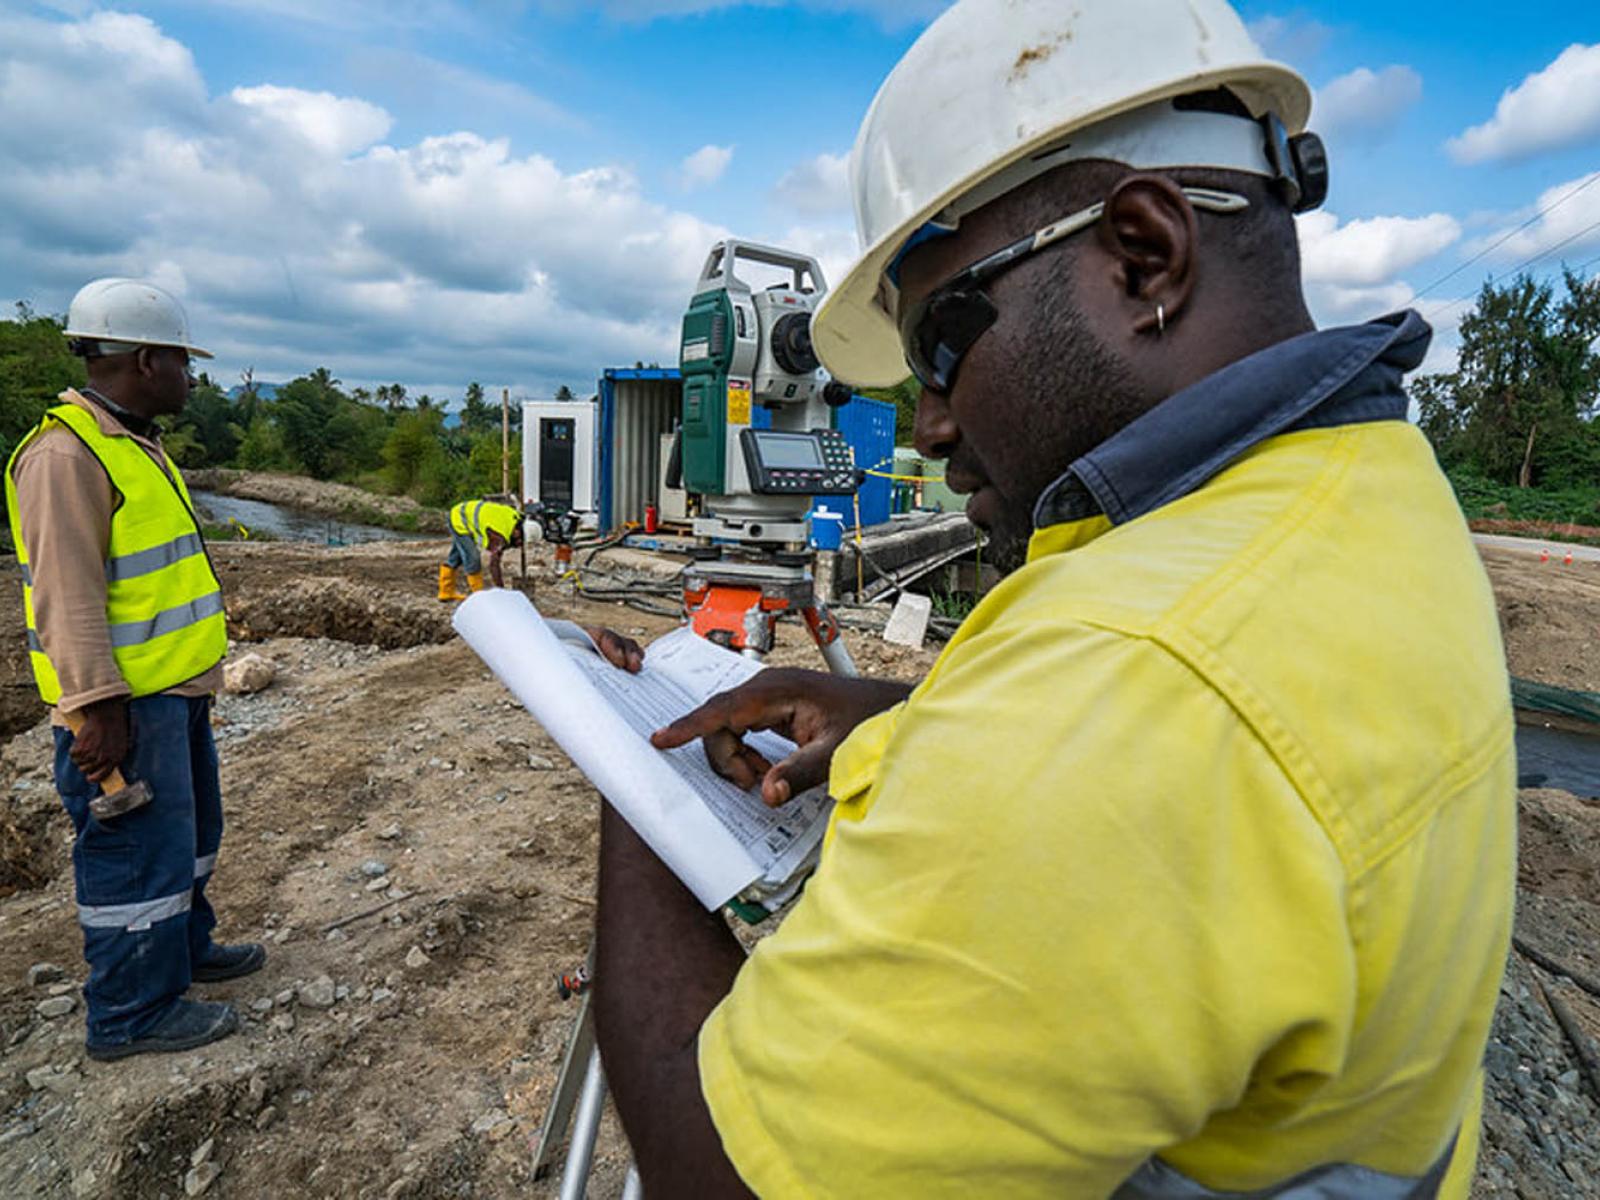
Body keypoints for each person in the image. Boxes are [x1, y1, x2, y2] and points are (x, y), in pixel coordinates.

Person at [588, 1, 1516, 1196]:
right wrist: (910, 715)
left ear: (1144, 253)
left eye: (937, 350)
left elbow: (716, 1173)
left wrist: (632, 763)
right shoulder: (1364, 490)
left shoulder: (1126, 682)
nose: (926, 425)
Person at [5, 278, 264, 1062]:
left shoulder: (129, 444)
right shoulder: (64, 457)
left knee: (185, 840)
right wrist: (96, 707)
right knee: (133, 857)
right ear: (147, 360)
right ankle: (128, 1014)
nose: (191, 377)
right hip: (124, 706)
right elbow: (66, 593)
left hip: (173, 695)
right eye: (184, 363)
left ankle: (184, 952)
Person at [439, 497, 524, 600]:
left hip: (465, 514)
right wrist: (501, 591)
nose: (519, 544)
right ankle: (478, 596)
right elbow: (494, 564)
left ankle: (445, 593)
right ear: (517, 532)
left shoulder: (517, 518)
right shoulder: (499, 534)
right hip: (459, 518)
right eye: (520, 540)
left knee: (456, 557)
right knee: (473, 558)